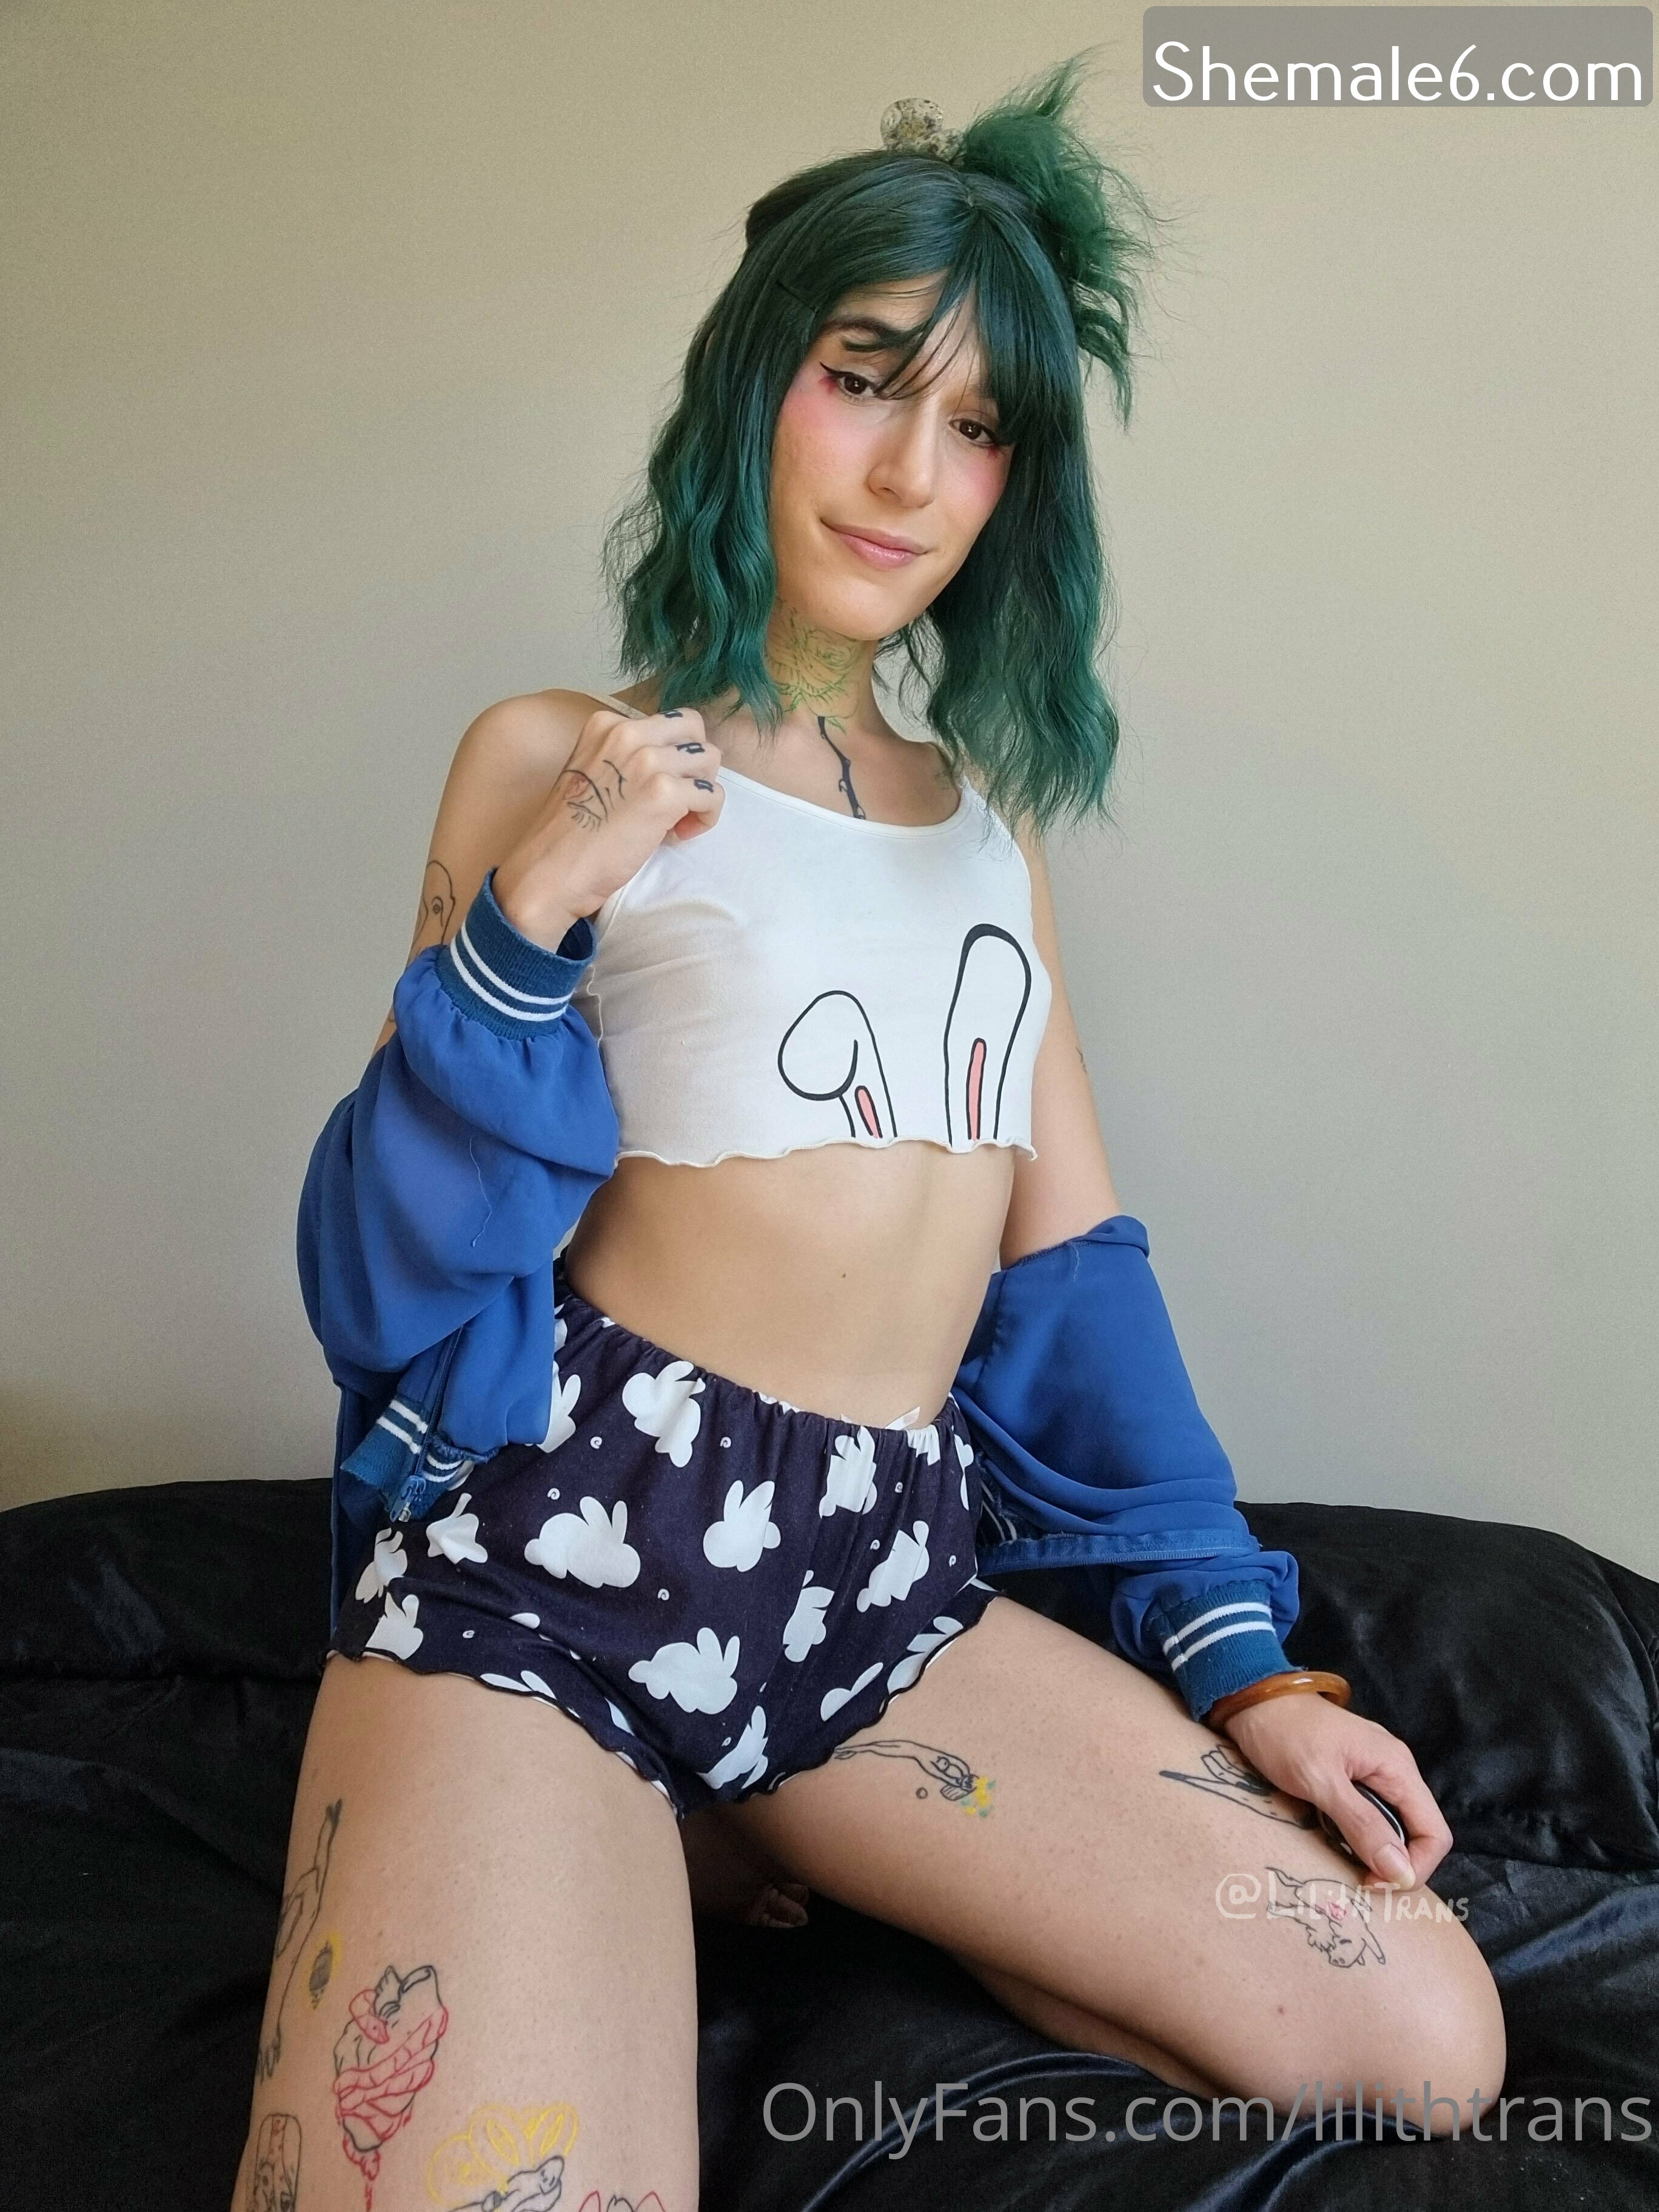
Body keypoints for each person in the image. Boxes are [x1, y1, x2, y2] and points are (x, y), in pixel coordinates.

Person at [233, 55, 1503, 2212]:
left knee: (1427, 2045)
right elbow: (382, 1279)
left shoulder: (990, 843)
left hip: (879, 1597)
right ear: (758, 380)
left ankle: (771, 1826)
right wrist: (533, 916)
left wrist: (1248, 1670)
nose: (916, 470)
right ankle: (636, 1823)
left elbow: (1074, 1290)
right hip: (553, 1576)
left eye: (981, 424)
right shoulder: (554, 754)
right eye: (864, 378)